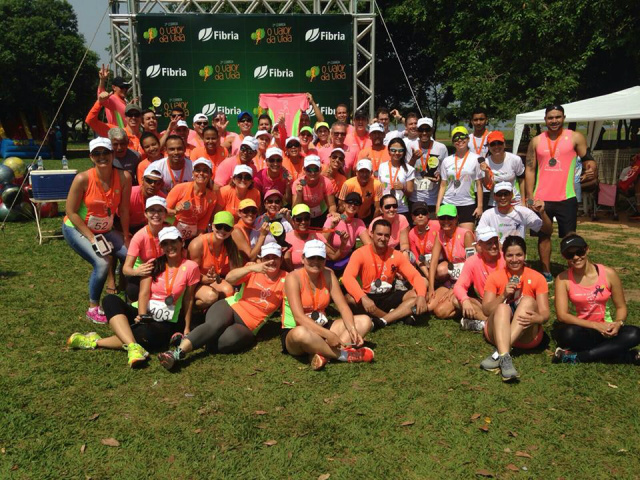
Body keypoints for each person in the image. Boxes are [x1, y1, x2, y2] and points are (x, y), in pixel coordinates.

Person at [67, 227, 200, 368]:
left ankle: (95, 341)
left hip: (165, 321)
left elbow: (188, 299)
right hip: (143, 313)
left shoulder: (191, 267)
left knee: (144, 335)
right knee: (109, 300)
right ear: (161, 246)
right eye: (165, 243)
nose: (170, 247)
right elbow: (143, 293)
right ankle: (133, 346)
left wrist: (186, 328)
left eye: (173, 242)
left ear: (182, 243)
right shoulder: (153, 264)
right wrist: (142, 316)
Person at [157, 243, 288, 370]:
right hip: (231, 306)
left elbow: (289, 308)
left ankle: (188, 338)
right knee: (215, 325)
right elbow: (230, 279)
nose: (271, 261)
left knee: (225, 342)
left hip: (248, 324)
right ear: (261, 259)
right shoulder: (252, 269)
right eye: (267, 258)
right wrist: (251, 268)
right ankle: (176, 354)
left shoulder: (287, 280)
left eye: (275, 257)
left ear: (281, 259)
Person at [525, 104, 598, 282]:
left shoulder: (575, 137)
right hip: (542, 198)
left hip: (566, 196)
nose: (554, 121)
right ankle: (546, 272)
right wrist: (530, 196)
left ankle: (573, 270)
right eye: (550, 117)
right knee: (543, 236)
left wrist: (591, 168)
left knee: (569, 236)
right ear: (545, 120)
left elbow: (588, 160)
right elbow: (530, 169)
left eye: (558, 117)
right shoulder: (536, 141)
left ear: (564, 118)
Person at [62, 137, 131, 324]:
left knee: (133, 255)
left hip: (105, 230)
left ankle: (133, 301)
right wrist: (92, 238)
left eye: (105, 152)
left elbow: (124, 209)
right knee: (102, 263)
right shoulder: (82, 179)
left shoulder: (124, 177)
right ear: (91, 157)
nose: (102, 157)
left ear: (113, 154)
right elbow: (71, 212)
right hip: (77, 228)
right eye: (97, 153)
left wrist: (125, 235)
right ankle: (93, 307)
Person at [281, 240, 374, 370]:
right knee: (300, 333)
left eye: (320, 258)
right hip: (297, 330)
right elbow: (299, 317)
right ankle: (344, 354)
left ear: (325, 260)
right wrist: (328, 335)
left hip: (323, 324)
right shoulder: (293, 278)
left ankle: (322, 353)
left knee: (365, 321)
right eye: (311, 257)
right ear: (303, 259)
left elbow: (342, 306)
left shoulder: (328, 273)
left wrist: (353, 329)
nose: (316, 261)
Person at [552, 234, 640, 365]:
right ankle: (623, 355)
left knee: (635, 333)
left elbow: (621, 307)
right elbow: (562, 315)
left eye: (579, 252)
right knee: (567, 334)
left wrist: (618, 323)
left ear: (587, 249)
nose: (576, 257)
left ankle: (579, 356)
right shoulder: (562, 279)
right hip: (582, 330)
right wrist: (595, 325)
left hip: (607, 328)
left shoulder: (609, 274)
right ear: (565, 257)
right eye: (570, 255)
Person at [480, 236, 550, 382]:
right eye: (509, 255)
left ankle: (499, 354)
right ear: (503, 256)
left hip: (526, 333)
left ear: (525, 255)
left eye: (519, 255)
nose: (514, 259)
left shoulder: (537, 278)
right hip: (496, 330)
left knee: (529, 301)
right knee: (502, 308)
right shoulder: (495, 277)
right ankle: (505, 358)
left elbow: (545, 313)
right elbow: (486, 310)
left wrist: (538, 318)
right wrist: (503, 295)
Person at [343, 219, 428, 329]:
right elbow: (347, 278)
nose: (383, 238)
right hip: (367, 296)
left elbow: (415, 276)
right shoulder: (360, 253)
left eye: (386, 235)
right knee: (349, 299)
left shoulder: (396, 255)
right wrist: (363, 297)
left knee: (416, 294)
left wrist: (421, 296)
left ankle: (383, 320)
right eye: (379, 234)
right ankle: (397, 315)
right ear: (371, 234)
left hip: (387, 296)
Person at [448, 227, 506, 329]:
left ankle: (486, 323)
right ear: (479, 246)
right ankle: (489, 322)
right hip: (484, 304)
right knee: (456, 301)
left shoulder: (506, 257)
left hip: (505, 301)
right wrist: (465, 300)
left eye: (495, 242)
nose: (494, 246)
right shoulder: (472, 261)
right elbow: (459, 286)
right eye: (489, 243)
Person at [187, 211, 240, 310]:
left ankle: (213, 313)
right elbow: (190, 274)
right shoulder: (197, 244)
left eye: (227, 228)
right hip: (195, 282)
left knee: (228, 290)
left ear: (232, 230)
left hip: (213, 280)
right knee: (211, 296)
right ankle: (192, 310)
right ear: (212, 226)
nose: (222, 230)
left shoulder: (230, 245)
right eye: (219, 226)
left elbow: (234, 272)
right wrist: (204, 279)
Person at [436, 126, 484, 231]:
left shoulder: (476, 159)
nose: (460, 140)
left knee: (467, 236)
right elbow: (443, 185)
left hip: (467, 203)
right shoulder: (447, 160)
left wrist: (480, 206)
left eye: (463, 137)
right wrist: (438, 205)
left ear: (468, 139)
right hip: (448, 202)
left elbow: (479, 184)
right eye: (456, 138)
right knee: (448, 236)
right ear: (453, 142)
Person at [427, 205, 474, 311]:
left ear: (457, 218)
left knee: (440, 311)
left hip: (466, 281)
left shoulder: (466, 234)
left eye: (450, 218)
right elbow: (433, 262)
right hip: (452, 278)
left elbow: (473, 265)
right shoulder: (440, 234)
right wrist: (431, 287)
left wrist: (455, 288)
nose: (446, 221)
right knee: (429, 306)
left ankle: (466, 304)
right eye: (442, 218)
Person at [122, 196, 168, 302]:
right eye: (152, 210)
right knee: (133, 291)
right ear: (145, 214)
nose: (156, 214)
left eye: (160, 211)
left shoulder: (170, 232)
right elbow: (126, 269)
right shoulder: (139, 236)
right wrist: (136, 272)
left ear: (165, 214)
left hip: (164, 271)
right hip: (144, 273)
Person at [478, 182, 552, 243]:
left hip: (516, 256)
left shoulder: (523, 212)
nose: (503, 197)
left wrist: (542, 213)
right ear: (494, 196)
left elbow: (548, 231)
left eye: (506, 194)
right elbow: (478, 235)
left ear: (512, 195)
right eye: (499, 194)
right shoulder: (488, 214)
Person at [166, 157, 217, 241]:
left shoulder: (212, 197)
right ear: (193, 173)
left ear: (211, 175)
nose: (201, 173)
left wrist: (198, 241)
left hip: (193, 235)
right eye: (198, 170)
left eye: (205, 171)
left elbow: (203, 224)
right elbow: (162, 210)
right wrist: (175, 211)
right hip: (172, 231)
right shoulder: (180, 188)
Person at [323, 192, 371, 273]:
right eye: (350, 202)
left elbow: (369, 245)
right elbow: (322, 240)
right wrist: (332, 226)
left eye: (356, 203)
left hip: (345, 260)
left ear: (359, 208)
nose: (353, 205)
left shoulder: (358, 223)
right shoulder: (333, 218)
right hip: (329, 260)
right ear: (344, 204)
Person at [409, 117, 449, 214]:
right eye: (421, 130)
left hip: (433, 199)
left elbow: (445, 173)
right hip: (414, 198)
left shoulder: (441, 148)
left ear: (432, 131)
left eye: (427, 130)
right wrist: (413, 159)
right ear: (417, 131)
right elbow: (406, 170)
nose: (424, 133)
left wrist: (439, 177)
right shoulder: (410, 145)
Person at [284, 204, 338, 269]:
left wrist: (343, 243)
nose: (303, 222)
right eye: (299, 219)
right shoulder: (287, 238)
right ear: (293, 220)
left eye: (306, 218)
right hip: (295, 276)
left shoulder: (317, 236)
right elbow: (286, 266)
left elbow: (334, 256)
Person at [292, 155, 338, 228]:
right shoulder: (297, 183)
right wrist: (299, 194)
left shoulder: (327, 182)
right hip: (304, 216)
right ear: (304, 169)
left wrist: (332, 213)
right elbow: (295, 209)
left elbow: (332, 205)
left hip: (321, 214)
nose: (312, 173)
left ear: (320, 169)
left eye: (315, 169)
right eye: (309, 170)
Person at [378, 137, 415, 222]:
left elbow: (409, 193)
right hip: (385, 208)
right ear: (389, 151)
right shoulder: (382, 166)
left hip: (401, 209)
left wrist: (403, 187)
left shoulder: (409, 169)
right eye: (393, 150)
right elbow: (380, 188)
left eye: (400, 150)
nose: (397, 153)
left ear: (404, 152)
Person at [483, 131, 525, 207]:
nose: (496, 147)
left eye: (499, 143)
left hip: (514, 201)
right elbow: (487, 187)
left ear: (504, 144)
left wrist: (523, 201)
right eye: (493, 144)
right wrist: (486, 172)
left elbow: (522, 180)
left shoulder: (515, 159)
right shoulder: (485, 162)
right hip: (495, 202)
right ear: (488, 147)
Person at [338, 159, 383, 224]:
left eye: (367, 171)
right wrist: (346, 221)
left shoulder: (377, 184)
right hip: (349, 216)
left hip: (367, 217)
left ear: (371, 172)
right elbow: (341, 206)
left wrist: (372, 225)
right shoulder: (348, 184)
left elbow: (377, 209)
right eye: (361, 171)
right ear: (356, 172)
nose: (364, 174)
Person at [128, 165, 166, 233]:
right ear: (142, 180)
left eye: (157, 182)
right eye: (149, 181)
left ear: (162, 184)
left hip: (149, 228)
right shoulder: (130, 194)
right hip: (128, 227)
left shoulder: (163, 199)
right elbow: (118, 218)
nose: (152, 185)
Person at [407, 201, 440, 277]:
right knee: (421, 285)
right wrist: (428, 275)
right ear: (412, 217)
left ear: (428, 215)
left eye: (423, 212)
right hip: (424, 265)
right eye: (416, 213)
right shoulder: (411, 233)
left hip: (440, 262)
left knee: (441, 270)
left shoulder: (437, 225)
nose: (420, 215)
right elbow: (416, 257)